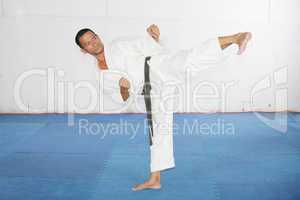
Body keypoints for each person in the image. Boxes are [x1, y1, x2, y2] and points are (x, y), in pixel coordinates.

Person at [75, 24, 252, 191]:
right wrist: (123, 88)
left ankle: (235, 37)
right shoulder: (101, 76)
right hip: (151, 90)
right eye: (88, 43)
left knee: (189, 60)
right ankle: (155, 179)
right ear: (84, 50)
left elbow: (146, 45)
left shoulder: (119, 45)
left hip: (157, 66)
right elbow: (123, 100)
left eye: (94, 37)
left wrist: (154, 38)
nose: (94, 43)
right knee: (158, 130)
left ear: (98, 36)